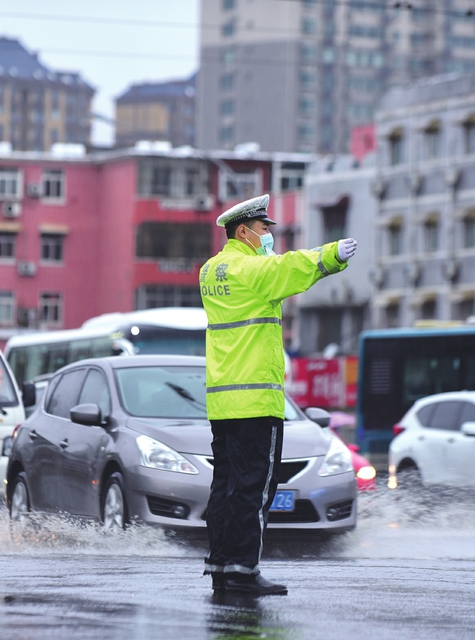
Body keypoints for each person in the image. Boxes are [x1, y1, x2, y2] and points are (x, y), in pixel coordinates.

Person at [199, 193, 356, 596]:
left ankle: (220, 564)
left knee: (226, 486)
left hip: (223, 401)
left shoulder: (211, 271)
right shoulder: (251, 270)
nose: (269, 235)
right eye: (265, 229)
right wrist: (332, 255)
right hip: (255, 401)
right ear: (243, 230)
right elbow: (290, 268)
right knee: (255, 489)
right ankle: (243, 570)